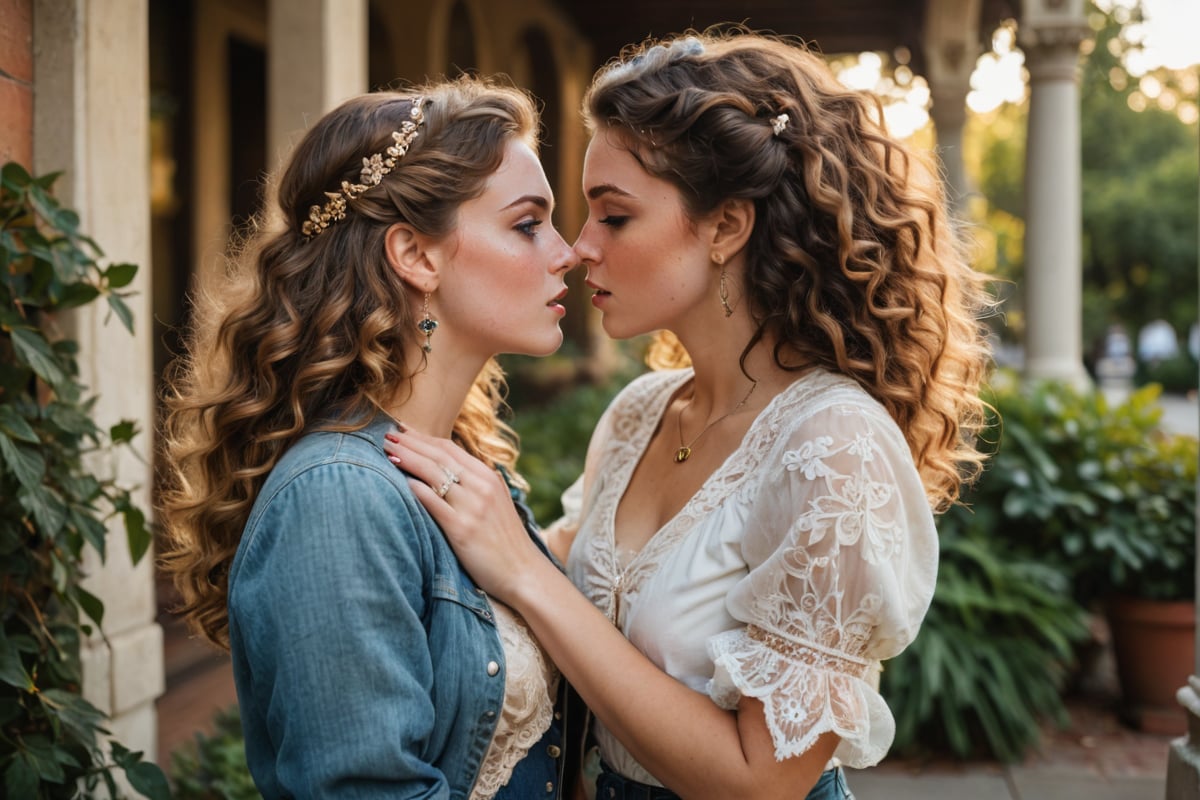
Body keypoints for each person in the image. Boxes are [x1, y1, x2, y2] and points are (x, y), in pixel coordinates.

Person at [384, 28, 994, 800]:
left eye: (614, 216)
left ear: (726, 226)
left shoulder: (834, 446)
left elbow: (761, 781)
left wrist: (529, 573)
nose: (579, 248)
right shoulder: (640, 412)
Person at [158, 77, 578, 799]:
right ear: (416, 255)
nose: (567, 252)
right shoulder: (338, 496)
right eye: (527, 224)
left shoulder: (461, 465)